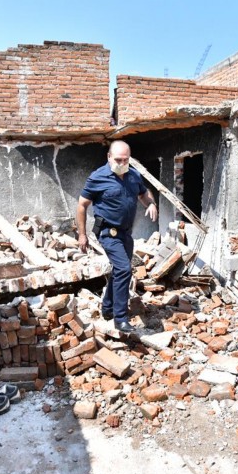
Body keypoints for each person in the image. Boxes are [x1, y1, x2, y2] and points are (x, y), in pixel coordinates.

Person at [76, 140, 157, 333]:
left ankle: (107, 308)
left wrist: (151, 204)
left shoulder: (133, 176)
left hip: (126, 233)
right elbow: (82, 205)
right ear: (109, 157)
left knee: (119, 271)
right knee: (124, 269)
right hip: (107, 232)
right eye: (118, 159)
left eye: (125, 160)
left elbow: (144, 193)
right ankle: (120, 319)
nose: (122, 163)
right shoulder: (98, 177)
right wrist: (82, 235)